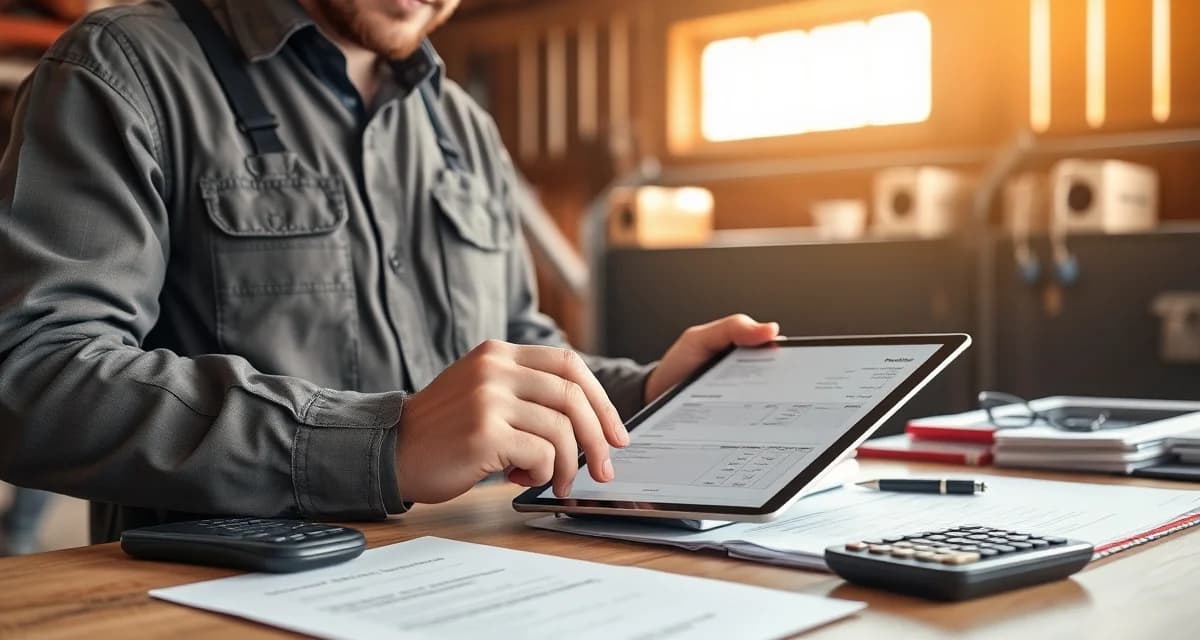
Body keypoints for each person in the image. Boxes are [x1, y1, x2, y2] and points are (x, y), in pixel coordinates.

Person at [0, 0, 779, 544]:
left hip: (477, 570)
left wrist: (647, 396)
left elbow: (515, 350)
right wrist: (380, 443)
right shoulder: (123, 68)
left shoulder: (465, 128)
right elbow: (32, 376)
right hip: (220, 597)